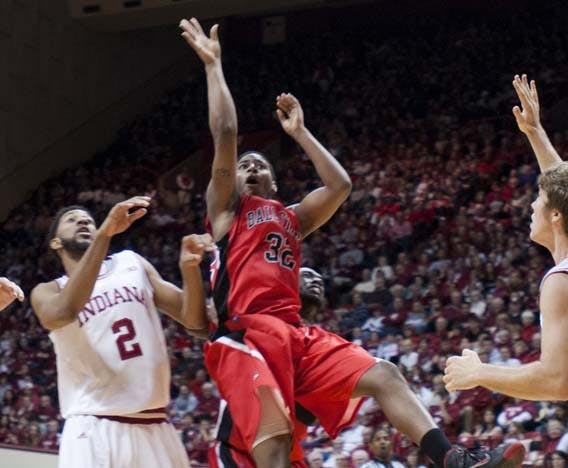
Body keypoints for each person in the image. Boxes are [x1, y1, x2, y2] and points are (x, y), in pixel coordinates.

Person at [180, 17, 524, 468]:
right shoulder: (227, 212)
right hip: (248, 335)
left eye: (257, 164)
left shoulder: (291, 217)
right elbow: (225, 133)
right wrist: (213, 66)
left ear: (274, 180)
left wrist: (300, 133)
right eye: (242, 165)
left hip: (295, 333)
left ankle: (453, 458)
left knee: (384, 374)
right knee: (277, 449)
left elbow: (339, 186)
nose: (246, 168)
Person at [30, 197, 213, 468]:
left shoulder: (132, 263)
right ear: (55, 242)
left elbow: (197, 322)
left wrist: (189, 269)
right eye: (72, 220)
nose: (83, 221)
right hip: (94, 426)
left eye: (89, 220)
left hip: (155, 425)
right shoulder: (49, 290)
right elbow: (62, 313)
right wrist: (104, 233)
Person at [443, 75, 568, 401]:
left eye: (537, 198)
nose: (530, 204)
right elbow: (561, 189)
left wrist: (478, 373)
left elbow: (557, 381)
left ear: (555, 215)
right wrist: (534, 131)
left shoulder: (560, 281)